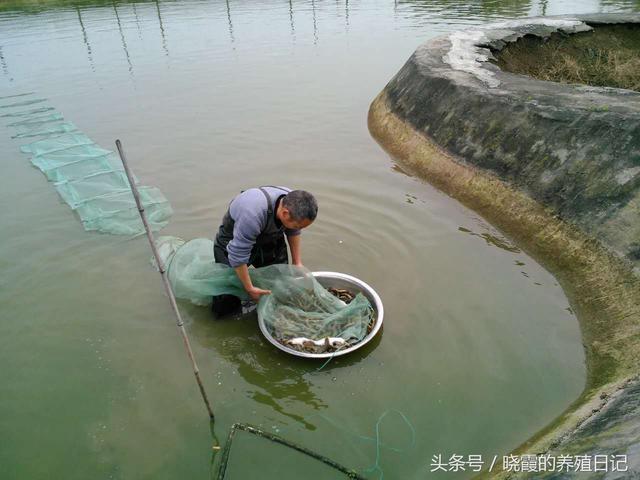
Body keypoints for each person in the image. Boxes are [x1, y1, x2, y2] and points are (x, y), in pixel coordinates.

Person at [212, 186, 318, 317]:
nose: (299, 229)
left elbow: (293, 230)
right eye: (298, 225)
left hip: (268, 239)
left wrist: (297, 262)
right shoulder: (252, 214)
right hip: (233, 243)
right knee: (227, 298)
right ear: (285, 213)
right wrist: (249, 288)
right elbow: (237, 255)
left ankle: (274, 310)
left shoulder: (293, 201)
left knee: (279, 280)